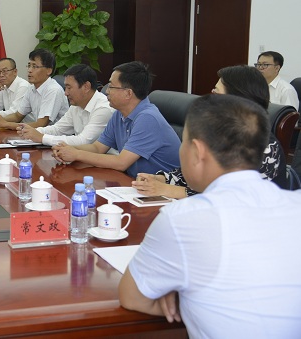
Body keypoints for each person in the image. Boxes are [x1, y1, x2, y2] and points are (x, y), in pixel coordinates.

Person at [119, 94, 301, 337]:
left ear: (197, 151)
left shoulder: (182, 218)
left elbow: (132, 297)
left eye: (183, 142)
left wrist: (188, 300)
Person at [133, 65, 287, 197]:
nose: (211, 97)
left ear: (235, 99)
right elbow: (197, 170)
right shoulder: (218, 129)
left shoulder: (265, 147)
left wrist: (168, 190)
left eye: (216, 92)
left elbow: (230, 196)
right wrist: (162, 179)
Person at [52, 61, 180, 178]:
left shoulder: (148, 118)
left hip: (164, 188)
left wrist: (77, 154)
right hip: (136, 182)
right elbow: (97, 148)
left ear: (128, 93)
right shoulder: (119, 114)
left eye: (111, 87)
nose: (107, 91)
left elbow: (121, 163)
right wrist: (68, 148)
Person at [17, 64, 113, 146]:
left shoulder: (103, 109)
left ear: (86, 87)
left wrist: (42, 137)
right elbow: (58, 129)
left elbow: (83, 141)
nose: (65, 93)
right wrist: (33, 132)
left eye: (69, 88)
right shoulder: (76, 105)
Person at [0, 49, 69, 130]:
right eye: (29, 65)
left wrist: (5, 124)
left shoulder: (53, 90)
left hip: (55, 136)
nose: (29, 70)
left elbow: (41, 124)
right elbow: (17, 116)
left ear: (48, 70)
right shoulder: (32, 88)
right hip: (39, 134)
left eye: (34, 66)